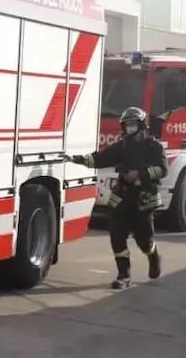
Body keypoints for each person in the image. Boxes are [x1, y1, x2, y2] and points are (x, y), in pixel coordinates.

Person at [64, 106, 166, 289]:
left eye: (133, 124)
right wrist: (75, 159)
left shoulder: (154, 147)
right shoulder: (122, 146)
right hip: (123, 198)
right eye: (127, 125)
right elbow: (100, 159)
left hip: (144, 200)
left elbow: (162, 170)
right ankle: (124, 275)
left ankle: (153, 254)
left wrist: (139, 174)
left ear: (142, 125)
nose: (130, 128)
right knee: (117, 236)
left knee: (144, 241)